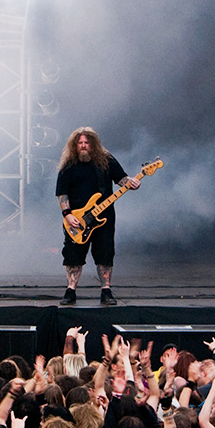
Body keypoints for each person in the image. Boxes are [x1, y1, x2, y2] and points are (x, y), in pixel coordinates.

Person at [55, 127, 140, 307]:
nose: (84, 146)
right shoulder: (68, 165)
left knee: (105, 252)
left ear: (93, 144)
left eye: (87, 143)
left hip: (104, 217)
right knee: (73, 254)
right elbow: (62, 194)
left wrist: (132, 182)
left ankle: (106, 290)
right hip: (77, 218)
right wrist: (67, 215)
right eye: (80, 143)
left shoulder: (106, 160)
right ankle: (70, 290)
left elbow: (122, 179)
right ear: (75, 145)